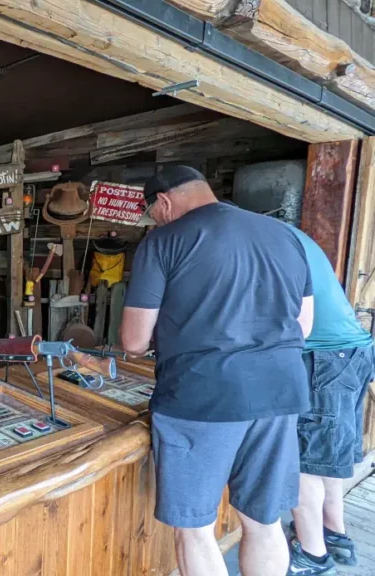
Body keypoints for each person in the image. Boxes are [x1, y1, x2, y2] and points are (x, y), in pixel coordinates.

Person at [121, 166, 314, 576]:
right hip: (280, 394)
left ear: (164, 202)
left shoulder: (164, 241)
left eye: (151, 212)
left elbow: (134, 341)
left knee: (195, 529)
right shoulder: (285, 236)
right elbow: (304, 325)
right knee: (264, 522)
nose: (153, 220)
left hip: (202, 397)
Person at [285, 224, 373, 575]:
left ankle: (312, 556)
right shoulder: (293, 237)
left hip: (322, 360)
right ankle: (335, 535)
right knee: (324, 459)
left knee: (301, 462)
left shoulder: (265, 245)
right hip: (353, 351)